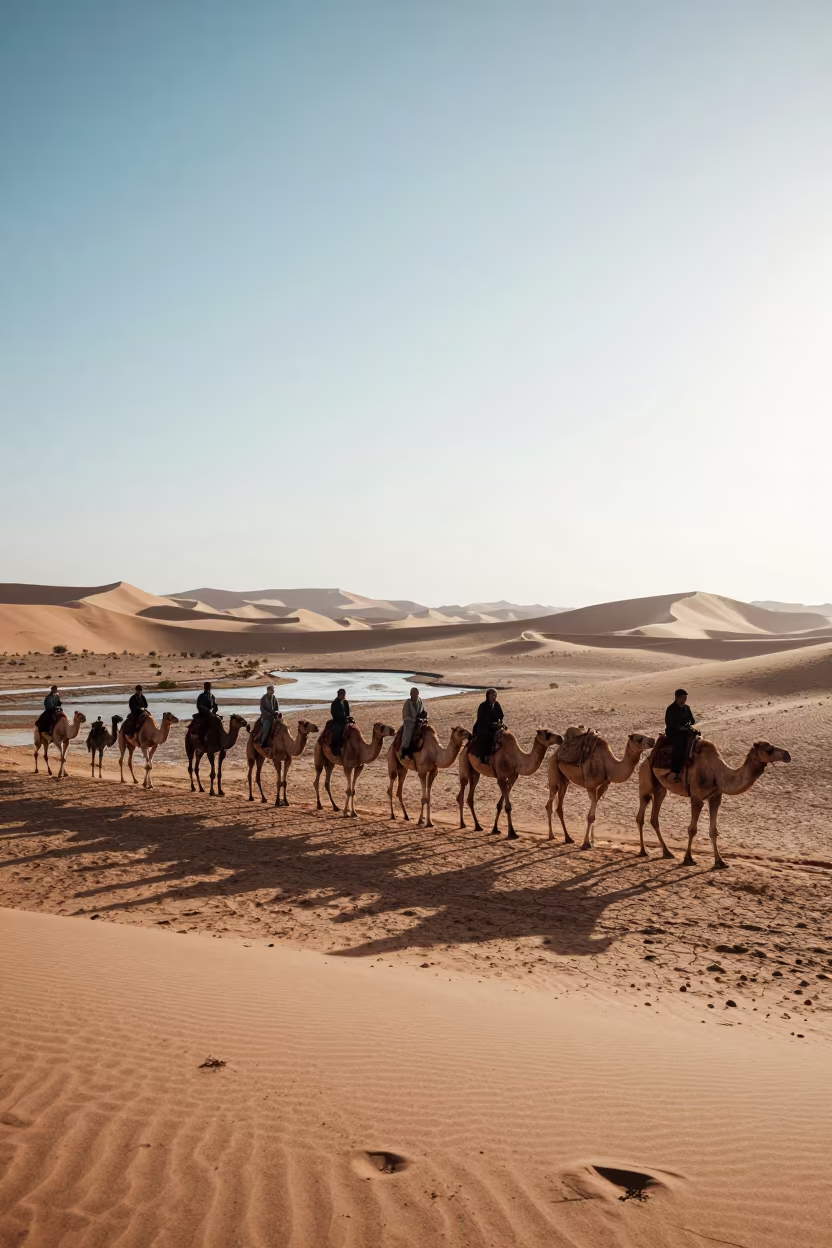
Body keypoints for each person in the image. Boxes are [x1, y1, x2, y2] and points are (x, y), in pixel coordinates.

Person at [665, 688, 696, 781]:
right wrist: (680, 728)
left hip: (686, 730)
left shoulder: (687, 708)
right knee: (679, 746)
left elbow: (692, 720)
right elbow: (669, 723)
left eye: (686, 698)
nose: (685, 700)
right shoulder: (671, 709)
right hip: (673, 732)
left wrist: (690, 724)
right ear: (677, 698)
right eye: (683, 698)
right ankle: (675, 771)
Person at [473, 688, 504, 762]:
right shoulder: (482, 706)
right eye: (492, 696)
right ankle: (484, 757)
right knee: (486, 736)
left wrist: (500, 723)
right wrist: (493, 725)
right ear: (488, 696)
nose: (494, 698)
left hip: (495, 726)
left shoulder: (496, 704)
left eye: (495, 696)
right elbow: (482, 721)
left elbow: (501, 715)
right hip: (484, 727)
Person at [400, 687, 427, 758]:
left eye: (416, 693)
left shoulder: (420, 701)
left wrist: (424, 716)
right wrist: (415, 719)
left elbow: (423, 710)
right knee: (407, 735)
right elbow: (405, 716)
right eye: (413, 693)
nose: (415, 695)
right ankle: (404, 751)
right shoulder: (407, 703)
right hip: (409, 723)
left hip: (420, 722)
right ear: (410, 694)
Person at [329, 687, 352, 756]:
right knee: (337, 731)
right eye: (343, 695)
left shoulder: (345, 702)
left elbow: (348, 713)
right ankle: (335, 748)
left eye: (344, 694)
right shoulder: (335, 703)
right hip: (338, 721)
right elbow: (334, 714)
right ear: (339, 695)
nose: (344, 696)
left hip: (345, 720)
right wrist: (343, 718)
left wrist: (347, 718)